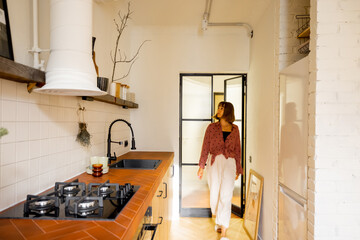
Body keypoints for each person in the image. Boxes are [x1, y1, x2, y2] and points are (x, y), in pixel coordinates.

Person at [197, 101, 243, 240]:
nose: (219, 110)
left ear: (228, 111)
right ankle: (218, 220)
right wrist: (201, 166)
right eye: (218, 107)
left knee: (226, 195)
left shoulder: (235, 129)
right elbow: (205, 146)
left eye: (222, 108)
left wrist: (238, 168)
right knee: (215, 193)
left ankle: (224, 232)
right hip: (214, 162)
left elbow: (238, 150)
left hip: (230, 163)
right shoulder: (211, 127)